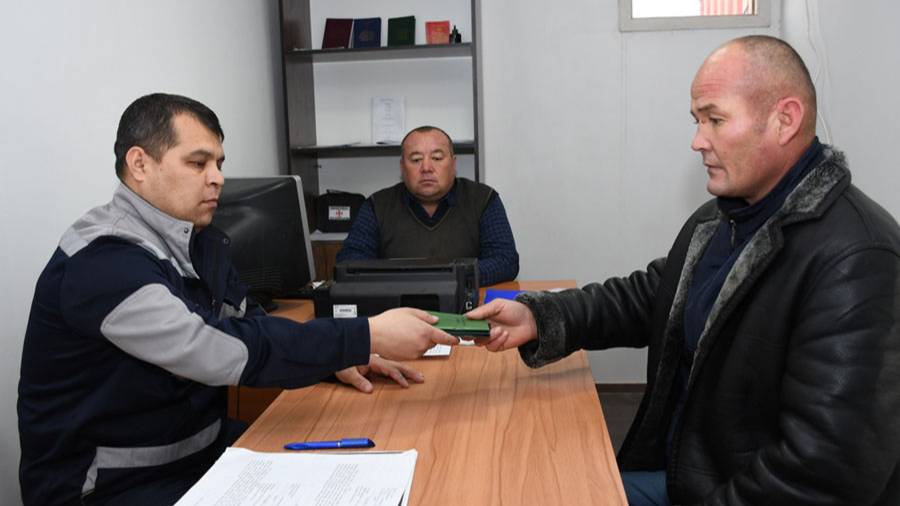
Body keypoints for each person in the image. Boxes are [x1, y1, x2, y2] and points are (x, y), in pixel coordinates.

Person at [467, 35, 900, 505]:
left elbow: (822, 475)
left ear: (785, 119)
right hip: (691, 475)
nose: (697, 141)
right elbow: (651, 296)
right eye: (697, 121)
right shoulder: (726, 217)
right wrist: (539, 317)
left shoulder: (858, 259)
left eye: (715, 119)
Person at [17, 93, 459, 506]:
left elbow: (251, 324)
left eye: (218, 163)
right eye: (198, 163)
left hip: (198, 456)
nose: (218, 178)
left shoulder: (200, 241)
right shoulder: (104, 261)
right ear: (140, 164)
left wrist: (335, 358)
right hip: (111, 486)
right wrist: (364, 335)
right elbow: (211, 349)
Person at [336, 125, 519, 286]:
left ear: (453, 164)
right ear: (402, 167)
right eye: (416, 159)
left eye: (437, 158)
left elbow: (506, 261)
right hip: (397, 309)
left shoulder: (483, 199)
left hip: (467, 307)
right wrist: (422, 278)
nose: (426, 168)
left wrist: (449, 276)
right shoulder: (377, 205)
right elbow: (349, 263)